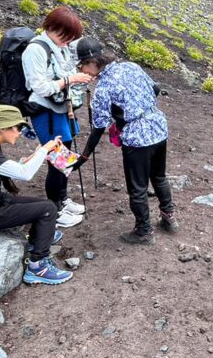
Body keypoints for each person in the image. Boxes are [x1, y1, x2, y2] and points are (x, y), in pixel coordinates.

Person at [0, 105, 73, 286]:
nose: (19, 133)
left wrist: (27, 159)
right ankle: (37, 266)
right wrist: (43, 150)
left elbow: (3, 170)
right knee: (48, 209)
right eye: (17, 128)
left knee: (42, 204)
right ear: (2, 128)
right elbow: (25, 174)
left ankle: (39, 238)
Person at [74, 48, 175, 244]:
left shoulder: (103, 88)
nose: (82, 70)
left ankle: (144, 231)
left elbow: (98, 126)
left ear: (93, 62)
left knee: (137, 188)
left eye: (82, 65)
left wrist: (84, 155)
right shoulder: (131, 66)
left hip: (137, 137)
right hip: (158, 126)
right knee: (159, 176)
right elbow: (155, 89)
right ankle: (169, 217)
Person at [22, 7, 94, 228]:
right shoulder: (35, 50)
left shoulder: (56, 47)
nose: (67, 42)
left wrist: (74, 78)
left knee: (66, 152)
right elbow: (40, 87)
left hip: (59, 108)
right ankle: (55, 208)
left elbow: (61, 71)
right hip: (45, 111)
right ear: (51, 27)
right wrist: (71, 79)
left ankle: (62, 198)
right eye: (65, 36)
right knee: (56, 157)